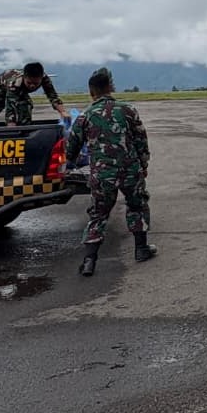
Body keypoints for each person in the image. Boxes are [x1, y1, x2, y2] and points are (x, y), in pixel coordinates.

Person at [67, 66, 154, 276]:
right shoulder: (128, 110)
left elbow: (72, 148)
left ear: (91, 92)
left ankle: (89, 261)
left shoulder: (85, 116)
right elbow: (141, 140)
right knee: (137, 206)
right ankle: (141, 249)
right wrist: (143, 164)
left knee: (98, 214)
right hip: (129, 169)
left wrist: (72, 163)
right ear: (111, 87)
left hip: (102, 174)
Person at [0, 62, 66, 126]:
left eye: (36, 84)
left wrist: (62, 112)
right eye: (29, 83)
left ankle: (25, 133)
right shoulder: (15, 82)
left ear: (41, 78)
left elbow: (52, 95)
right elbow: (10, 106)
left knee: (25, 108)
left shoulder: (45, 78)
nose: (32, 86)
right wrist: (11, 124)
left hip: (21, 93)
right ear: (24, 77)